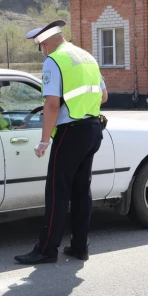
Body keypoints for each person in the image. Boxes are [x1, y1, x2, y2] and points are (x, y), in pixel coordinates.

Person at [14, 19, 108, 265]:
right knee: (81, 190)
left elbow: (52, 104)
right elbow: (104, 95)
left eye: (40, 46)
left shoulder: (54, 60)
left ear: (44, 43)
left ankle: (46, 250)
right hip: (92, 129)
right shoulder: (87, 57)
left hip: (70, 132)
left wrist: (44, 141)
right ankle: (79, 246)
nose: (42, 51)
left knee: (57, 192)